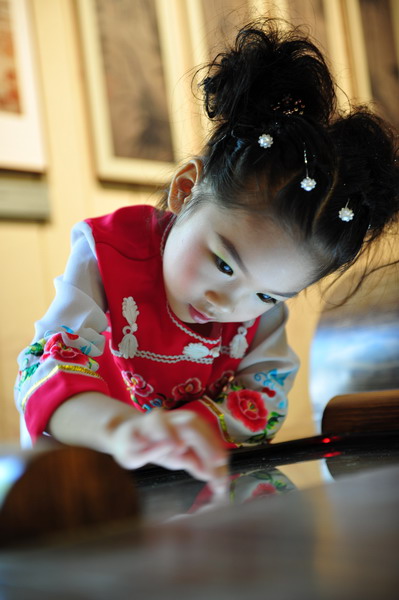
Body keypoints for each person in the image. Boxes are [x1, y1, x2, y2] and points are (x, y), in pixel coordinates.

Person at [15, 21, 398, 491]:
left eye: (265, 293)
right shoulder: (108, 255)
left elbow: (264, 396)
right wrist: (124, 429)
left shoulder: (261, 311)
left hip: (192, 487)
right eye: (223, 263)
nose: (227, 302)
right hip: (91, 484)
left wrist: (190, 430)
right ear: (185, 188)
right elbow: (50, 368)